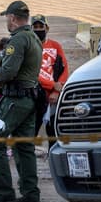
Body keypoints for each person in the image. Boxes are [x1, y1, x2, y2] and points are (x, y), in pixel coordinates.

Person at [0, 0, 43, 202]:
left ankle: (4, 192)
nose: (7, 21)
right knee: (23, 146)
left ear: (13, 18)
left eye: (7, 17)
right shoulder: (34, 38)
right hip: (29, 99)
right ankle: (30, 192)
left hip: (14, 100)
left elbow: (8, 71)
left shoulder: (17, 40)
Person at [32, 14, 68, 147]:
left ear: (47, 28)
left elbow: (65, 68)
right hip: (35, 96)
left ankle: (53, 160)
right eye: (35, 27)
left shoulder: (55, 45)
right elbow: (31, 74)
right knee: (32, 132)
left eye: (41, 26)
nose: (38, 29)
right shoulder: (29, 47)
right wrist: (53, 85)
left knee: (53, 133)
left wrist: (57, 91)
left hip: (53, 97)